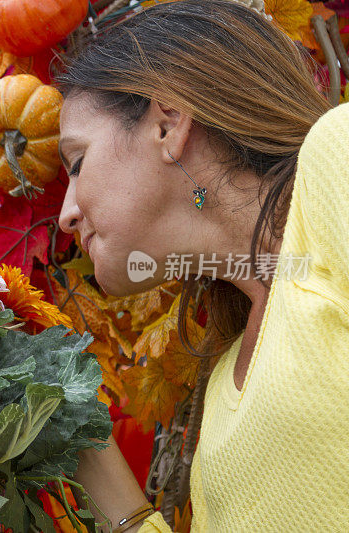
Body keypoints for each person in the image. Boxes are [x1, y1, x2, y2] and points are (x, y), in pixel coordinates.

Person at [55, 0, 349, 531]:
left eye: (77, 164)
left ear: (168, 125)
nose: (65, 215)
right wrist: (73, 426)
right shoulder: (221, 391)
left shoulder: (338, 157)